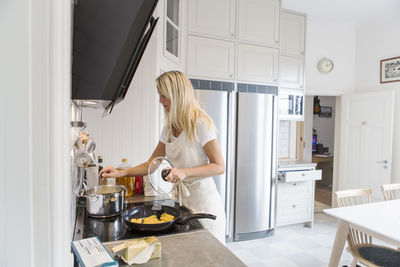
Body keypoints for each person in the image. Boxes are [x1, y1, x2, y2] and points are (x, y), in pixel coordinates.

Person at [100, 70, 226, 243]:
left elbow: (219, 166)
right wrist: (121, 173)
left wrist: (184, 172)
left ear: (178, 95)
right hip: (183, 204)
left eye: (164, 95)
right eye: (159, 95)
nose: (160, 101)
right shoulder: (168, 129)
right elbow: (152, 163)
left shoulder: (200, 124)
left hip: (204, 205)